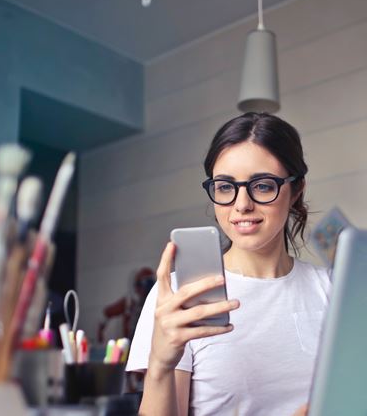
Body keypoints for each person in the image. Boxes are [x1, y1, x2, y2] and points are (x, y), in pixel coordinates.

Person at [126, 112, 331, 416]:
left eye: (262, 185)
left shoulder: (332, 289)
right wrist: (159, 365)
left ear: (296, 189)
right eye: (225, 187)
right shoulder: (180, 294)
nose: (241, 204)